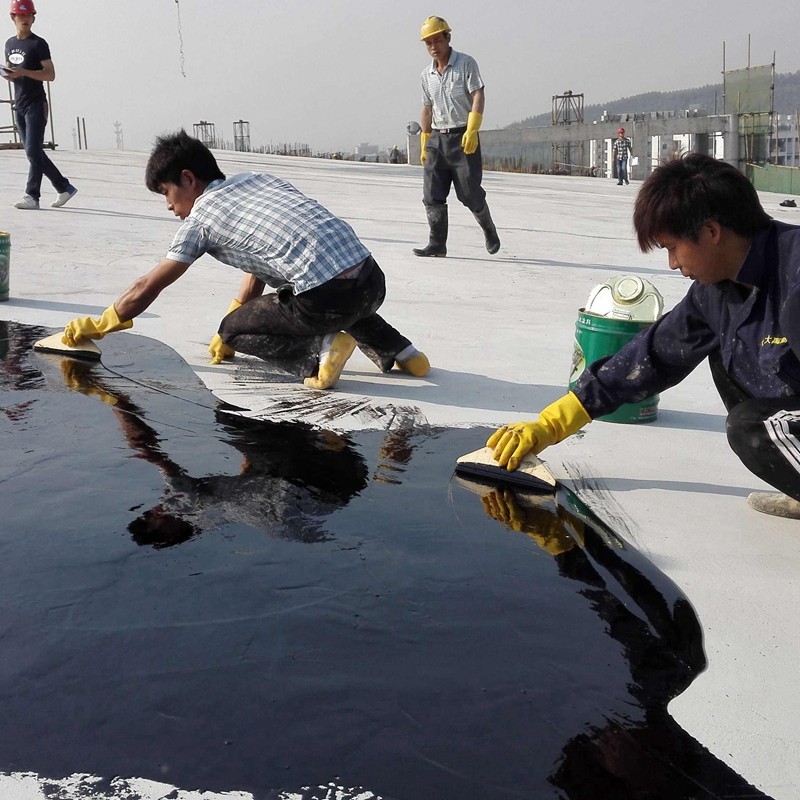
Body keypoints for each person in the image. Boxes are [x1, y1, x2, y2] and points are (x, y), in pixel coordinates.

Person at [487, 153, 800, 520]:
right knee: (729, 355)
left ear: (711, 232)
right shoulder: (718, 290)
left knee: (749, 426)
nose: (671, 263)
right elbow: (654, 356)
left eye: (671, 247)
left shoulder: (793, 277)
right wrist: (551, 423)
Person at [61, 130, 430, 391]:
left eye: (166, 192)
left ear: (188, 179)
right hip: (371, 279)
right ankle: (404, 353)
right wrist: (242, 304)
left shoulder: (201, 220)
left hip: (327, 299)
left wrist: (100, 323)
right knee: (331, 286)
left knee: (234, 328)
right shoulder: (256, 179)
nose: (168, 205)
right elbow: (259, 266)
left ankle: (320, 352)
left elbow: (148, 286)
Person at [413, 15, 500, 258]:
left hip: (463, 137)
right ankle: (437, 244)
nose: (433, 47)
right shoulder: (425, 76)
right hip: (437, 140)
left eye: (436, 40)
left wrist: (473, 128)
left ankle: (489, 229)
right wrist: (424, 140)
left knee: (470, 193)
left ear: (447, 38)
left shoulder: (466, 64)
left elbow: (478, 95)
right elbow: (427, 108)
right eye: (428, 43)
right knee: (432, 194)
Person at [3, 0, 76, 210]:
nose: (25, 20)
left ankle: (32, 195)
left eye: (29, 16)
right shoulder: (9, 44)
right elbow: (12, 72)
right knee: (32, 152)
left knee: (33, 151)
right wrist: (9, 74)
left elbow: (50, 74)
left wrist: (24, 72)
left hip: (36, 104)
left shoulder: (38, 44)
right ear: (13, 18)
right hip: (20, 104)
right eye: (21, 16)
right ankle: (63, 187)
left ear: (33, 18)